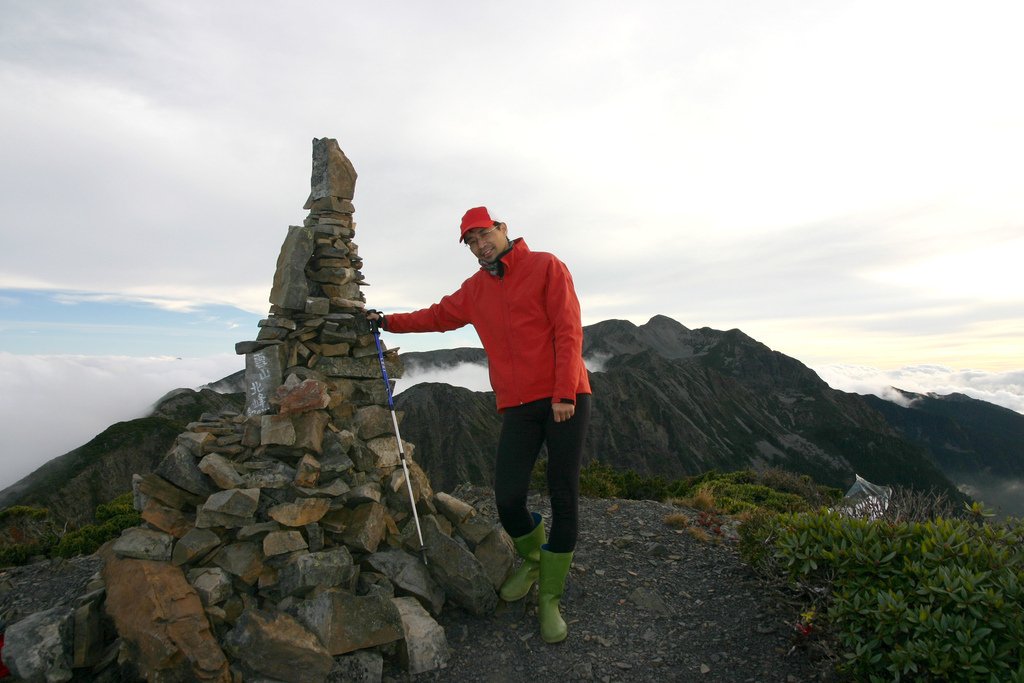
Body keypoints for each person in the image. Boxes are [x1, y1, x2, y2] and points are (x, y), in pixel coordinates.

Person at [367, 206, 592, 644]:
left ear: (502, 229)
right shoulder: (474, 290)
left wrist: (565, 391)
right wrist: (387, 321)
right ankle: (531, 559)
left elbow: (569, 330)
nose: (479, 244)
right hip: (518, 403)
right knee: (508, 496)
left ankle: (550, 597)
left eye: (483, 234)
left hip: (566, 397)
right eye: (470, 241)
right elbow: (435, 317)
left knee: (564, 492)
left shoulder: (546, 266)